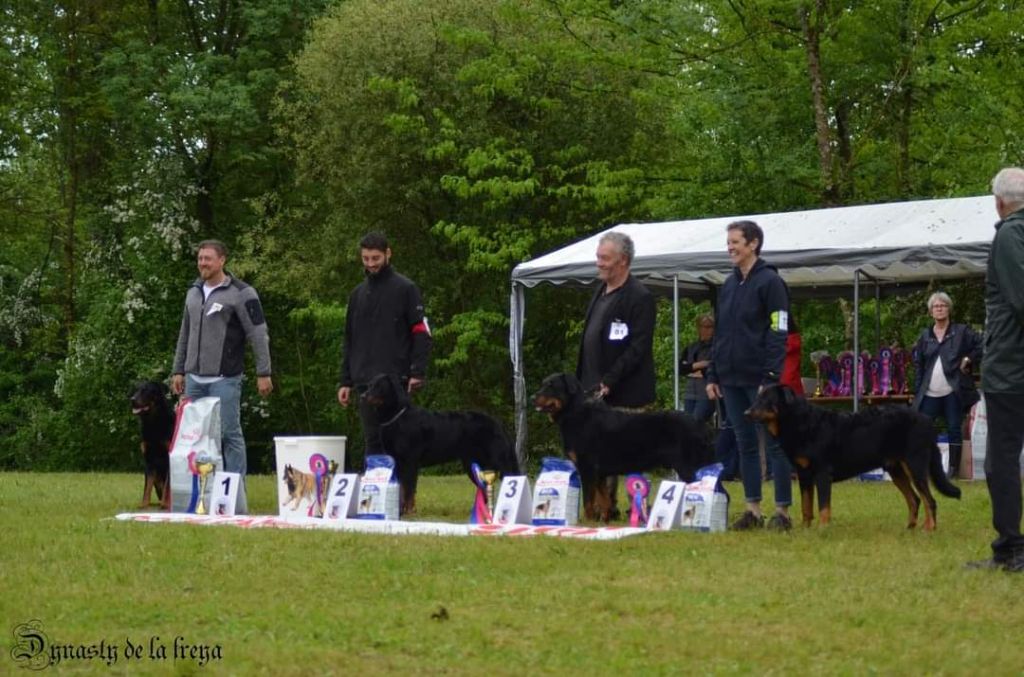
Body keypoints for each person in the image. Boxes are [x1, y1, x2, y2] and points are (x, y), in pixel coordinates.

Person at [172, 239, 273, 515]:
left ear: (222, 260)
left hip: (225, 378)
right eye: (200, 258)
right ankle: (199, 494)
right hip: (194, 379)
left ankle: (235, 495)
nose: (203, 263)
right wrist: (178, 369)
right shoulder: (193, 293)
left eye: (208, 258)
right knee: (195, 438)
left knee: (229, 434)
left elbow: (258, 333)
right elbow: (185, 333)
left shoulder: (241, 293)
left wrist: (264, 371)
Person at [705, 220, 793, 531]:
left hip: (761, 379)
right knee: (744, 444)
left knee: (775, 443)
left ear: (753, 244)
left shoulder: (771, 282)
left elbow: (779, 329)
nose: (730, 247)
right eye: (728, 242)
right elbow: (720, 334)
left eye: (735, 242)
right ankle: (752, 509)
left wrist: (770, 376)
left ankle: (782, 511)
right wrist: (712, 374)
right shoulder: (727, 285)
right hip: (730, 378)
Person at [577, 231, 656, 516]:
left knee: (632, 449)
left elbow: (638, 347)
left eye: (604, 258)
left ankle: (639, 507)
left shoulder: (639, 297)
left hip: (626, 391)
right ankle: (604, 507)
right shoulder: (599, 291)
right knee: (599, 451)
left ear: (622, 261)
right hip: (593, 390)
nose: (599, 263)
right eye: (598, 257)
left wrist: (610, 379)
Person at [968, 167, 1024, 572]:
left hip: (1011, 370)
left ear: (999, 202)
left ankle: (1011, 550)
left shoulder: (1009, 234)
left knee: (1001, 460)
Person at [338, 232, 432, 456]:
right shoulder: (356, 295)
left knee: (398, 440)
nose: (371, 264)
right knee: (372, 439)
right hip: (364, 380)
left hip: (394, 380)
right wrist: (345, 381)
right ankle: (375, 490)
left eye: (376, 258)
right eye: (366, 258)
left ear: (388, 254)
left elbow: (421, 332)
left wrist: (417, 371)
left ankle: (400, 489)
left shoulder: (406, 289)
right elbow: (349, 338)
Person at [911, 292, 982, 479]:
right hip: (930, 393)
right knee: (922, 429)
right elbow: (919, 365)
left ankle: (953, 470)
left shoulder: (961, 331)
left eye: (943, 305)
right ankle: (925, 468)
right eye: (936, 306)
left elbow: (981, 345)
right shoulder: (925, 336)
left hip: (953, 391)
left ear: (949, 309)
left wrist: (969, 358)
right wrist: (917, 391)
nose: (939, 308)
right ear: (930, 312)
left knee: (953, 428)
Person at [679, 314, 715, 424]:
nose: (706, 330)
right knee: (686, 424)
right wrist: (701, 364)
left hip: (705, 393)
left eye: (709, 327)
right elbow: (681, 369)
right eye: (703, 327)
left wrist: (692, 368)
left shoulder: (716, 347)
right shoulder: (691, 347)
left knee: (696, 423)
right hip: (690, 392)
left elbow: (712, 367)